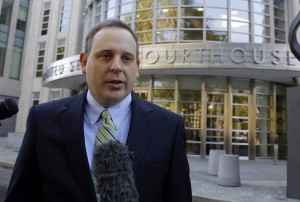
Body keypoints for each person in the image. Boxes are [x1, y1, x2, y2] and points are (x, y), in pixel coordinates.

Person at [5, 19, 192, 202]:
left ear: (137, 67)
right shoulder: (43, 120)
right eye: (106, 55)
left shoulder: (169, 127)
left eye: (127, 58)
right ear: (84, 62)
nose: (117, 67)